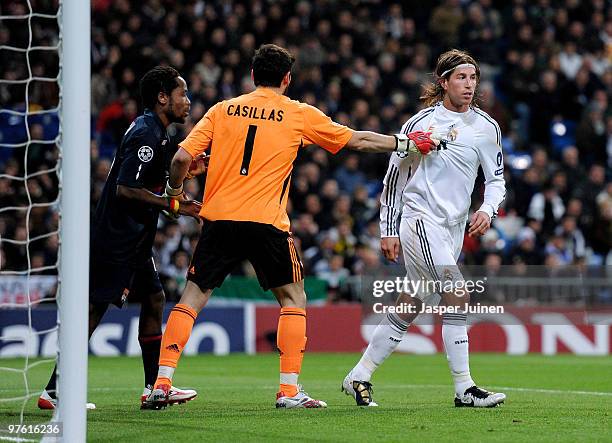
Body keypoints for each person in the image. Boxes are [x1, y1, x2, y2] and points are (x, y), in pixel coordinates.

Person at [142, 44, 438, 410]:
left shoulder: (222, 110)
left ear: (253, 76)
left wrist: (174, 195)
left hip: (218, 219)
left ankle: (162, 382)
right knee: (293, 298)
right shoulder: (297, 113)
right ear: (287, 79)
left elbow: (183, 157)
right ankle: (289, 390)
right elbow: (357, 140)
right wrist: (406, 143)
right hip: (266, 221)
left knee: (192, 298)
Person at [342, 49, 507, 408]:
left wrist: (488, 208)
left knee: (412, 301)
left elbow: (496, 180)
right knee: (457, 290)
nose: (469, 84)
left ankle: (360, 374)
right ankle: (464, 387)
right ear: (443, 82)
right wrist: (387, 228)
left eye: (473, 78)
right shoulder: (420, 124)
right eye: (461, 77)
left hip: (452, 229)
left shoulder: (486, 127)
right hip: (419, 220)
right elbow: (394, 178)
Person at [38, 66, 204, 410]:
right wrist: (172, 205)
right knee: (95, 309)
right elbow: (126, 189)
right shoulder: (146, 133)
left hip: (135, 239)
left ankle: (152, 388)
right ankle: (54, 392)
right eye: (181, 94)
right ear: (162, 98)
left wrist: (188, 170)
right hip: (118, 238)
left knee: (155, 298)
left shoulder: (155, 132)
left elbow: (149, 176)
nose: (187, 101)